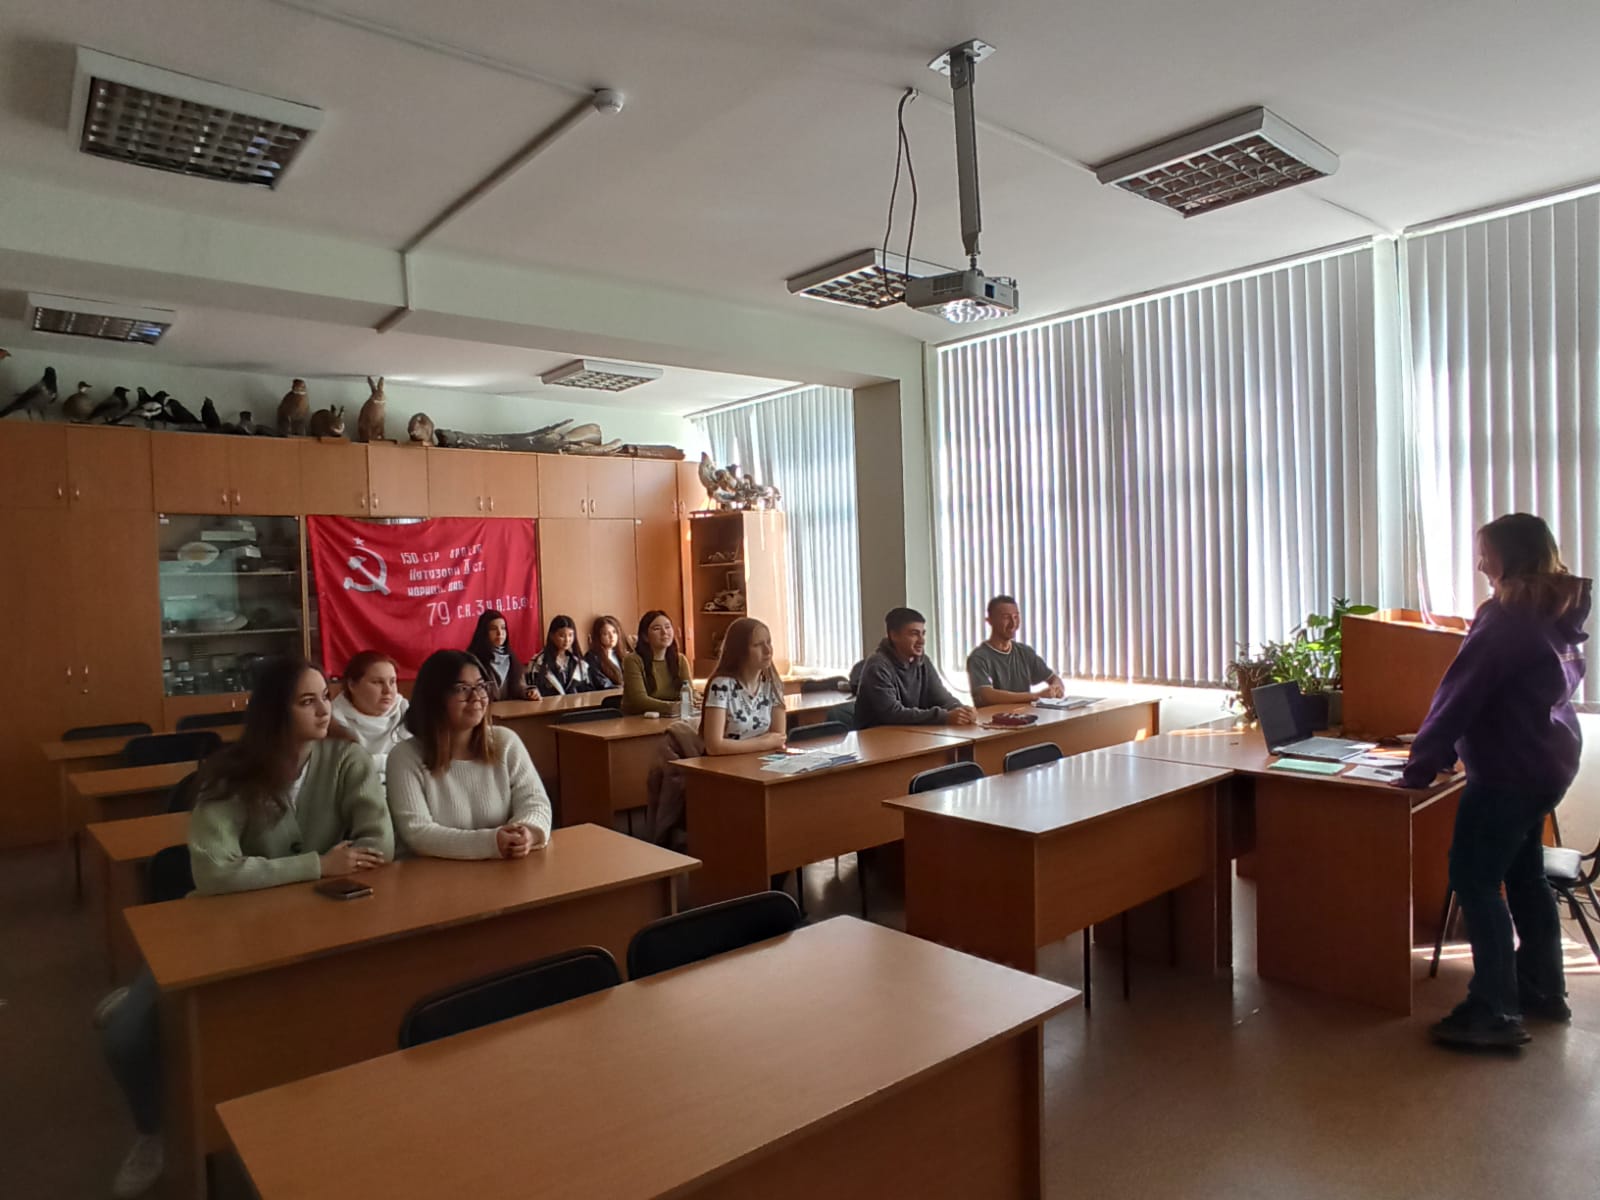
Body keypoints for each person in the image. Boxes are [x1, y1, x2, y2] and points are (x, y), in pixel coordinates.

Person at [99, 656, 392, 1198]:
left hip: (313, 922)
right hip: (218, 926)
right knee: (126, 1036)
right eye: (307, 701)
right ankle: (153, 1132)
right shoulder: (230, 773)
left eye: (324, 697)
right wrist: (317, 866)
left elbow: (379, 843)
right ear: (274, 712)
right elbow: (214, 871)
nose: (324, 710)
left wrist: (293, 872)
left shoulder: (345, 758)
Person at [1399, 513, 1590, 1049]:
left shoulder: (1506, 617)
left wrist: (1420, 766)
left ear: (1509, 556)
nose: (1481, 564)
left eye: (1486, 553)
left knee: (1476, 881)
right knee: (1525, 877)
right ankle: (1543, 989)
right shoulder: (1555, 609)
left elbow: (1459, 694)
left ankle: (1493, 1010)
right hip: (1546, 767)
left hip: (1507, 773)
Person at [386, 649, 553, 859]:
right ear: (434, 698)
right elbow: (417, 832)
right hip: (432, 873)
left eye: (481, 686)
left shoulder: (505, 742)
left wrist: (527, 832)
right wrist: (492, 842)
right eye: (462, 689)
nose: (476, 697)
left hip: (505, 868)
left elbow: (535, 802)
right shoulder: (405, 756)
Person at [855, 607, 977, 727]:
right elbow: (892, 713)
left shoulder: (923, 661)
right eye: (914, 634)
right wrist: (944, 717)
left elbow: (942, 698)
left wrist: (962, 710)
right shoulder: (878, 666)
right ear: (894, 635)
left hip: (911, 733)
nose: (922, 641)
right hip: (877, 735)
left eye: (923, 634)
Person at [700, 617, 787, 755]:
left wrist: (765, 743)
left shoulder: (772, 684)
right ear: (740, 651)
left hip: (759, 760)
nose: (767, 650)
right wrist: (763, 743)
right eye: (758, 645)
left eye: (769, 642)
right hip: (724, 764)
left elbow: (778, 738)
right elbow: (714, 746)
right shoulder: (721, 686)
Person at [966, 595, 1067, 705]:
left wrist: (1056, 688)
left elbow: (1053, 678)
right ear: (990, 621)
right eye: (1006, 617)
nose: (1013, 624)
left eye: (1016, 617)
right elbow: (987, 695)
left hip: (1024, 714)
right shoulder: (978, 658)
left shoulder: (1025, 652)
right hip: (994, 716)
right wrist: (1036, 696)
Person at [330, 649, 411, 781]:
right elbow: (343, 770)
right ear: (352, 685)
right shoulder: (333, 721)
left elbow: (417, 763)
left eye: (392, 682)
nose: (388, 691)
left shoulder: (407, 713)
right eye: (377, 682)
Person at [623, 609, 692, 716]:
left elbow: (689, 692)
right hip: (639, 718)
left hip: (673, 716)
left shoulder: (680, 659)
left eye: (668, 627)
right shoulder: (633, 660)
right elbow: (639, 700)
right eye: (657, 629)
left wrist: (694, 699)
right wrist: (672, 707)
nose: (664, 632)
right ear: (645, 636)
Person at [464, 609, 532, 700]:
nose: (500, 633)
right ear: (483, 632)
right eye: (493, 629)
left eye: (503, 628)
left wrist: (528, 692)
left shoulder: (510, 657)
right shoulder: (474, 660)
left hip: (510, 708)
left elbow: (520, 687)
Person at [528, 614, 598, 696]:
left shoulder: (578, 663)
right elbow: (531, 688)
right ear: (552, 636)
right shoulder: (538, 662)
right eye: (562, 635)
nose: (567, 640)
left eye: (570, 635)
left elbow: (588, 691)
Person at [586, 614, 630, 689]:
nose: (612, 636)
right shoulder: (592, 657)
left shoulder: (620, 654)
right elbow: (602, 683)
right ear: (598, 636)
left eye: (614, 632)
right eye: (606, 634)